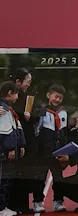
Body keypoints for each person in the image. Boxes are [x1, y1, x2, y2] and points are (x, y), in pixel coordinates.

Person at [7, 69, 39, 214]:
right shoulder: (6, 99)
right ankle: (10, 205)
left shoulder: (29, 99)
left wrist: (30, 116)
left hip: (26, 141)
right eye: (27, 82)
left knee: (25, 173)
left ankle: (23, 205)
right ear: (18, 82)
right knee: (11, 173)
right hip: (11, 141)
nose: (28, 85)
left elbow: (38, 115)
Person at [33, 86, 67, 213]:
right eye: (55, 96)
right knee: (40, 177)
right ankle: (38, 202)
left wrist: (64, 150)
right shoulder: (42, 111)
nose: (57, 100)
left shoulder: (63, 113)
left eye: (60, 98)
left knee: (59, 178)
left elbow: (64, 133)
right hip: (43, 151)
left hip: (58, 152)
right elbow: (37, 131)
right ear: (48, 95)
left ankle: (58, 202)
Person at [0, 81, 26, 216]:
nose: (17, 97)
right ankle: (1, 207)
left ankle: (4, 206)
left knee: (8, 178)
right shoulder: (2, 109)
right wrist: (10, 148)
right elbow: (6, 130)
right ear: (10, 93)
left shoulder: (10, 109)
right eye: (16, 94)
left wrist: (21, 144)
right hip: (4, 152)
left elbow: (17, 127)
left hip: (11, 149)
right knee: (3, 179)